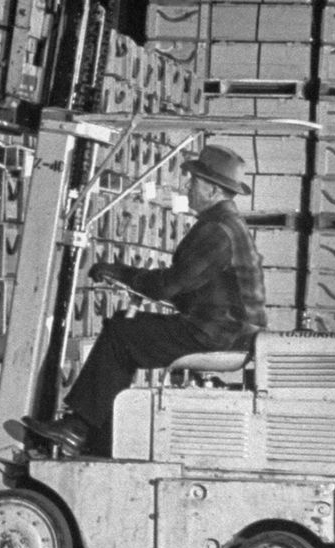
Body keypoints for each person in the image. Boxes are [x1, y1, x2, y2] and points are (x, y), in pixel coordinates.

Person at [26, 143, 268, 457]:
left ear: (212, 190)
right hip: (230, 332)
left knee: (121, 335)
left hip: (218, 334)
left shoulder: (217, 231)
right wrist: (134, 281)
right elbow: (188, 287)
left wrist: (120, 272)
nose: (187, 187)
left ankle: (78, 429)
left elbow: (169, 285)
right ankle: (97, 439)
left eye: (193, 182)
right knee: (134, 334)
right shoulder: (229, 225)